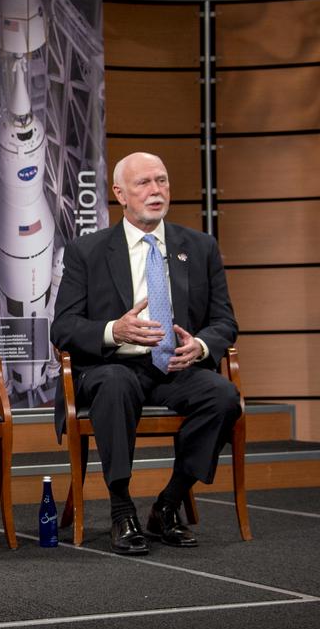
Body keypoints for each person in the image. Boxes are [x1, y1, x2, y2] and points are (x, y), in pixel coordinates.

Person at [51, 152, 240, 555]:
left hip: (176, 367)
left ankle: (168, 503)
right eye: (144, 183)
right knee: (116, 384)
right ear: (120, 193)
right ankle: (122, 509)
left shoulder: (200, 247)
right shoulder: (88, 251)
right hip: (113, 365)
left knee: (223, 397)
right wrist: (112, 330)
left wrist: (201, 346)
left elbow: (225, 322)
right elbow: (63, 327)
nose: (156, 191)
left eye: (162, 180)